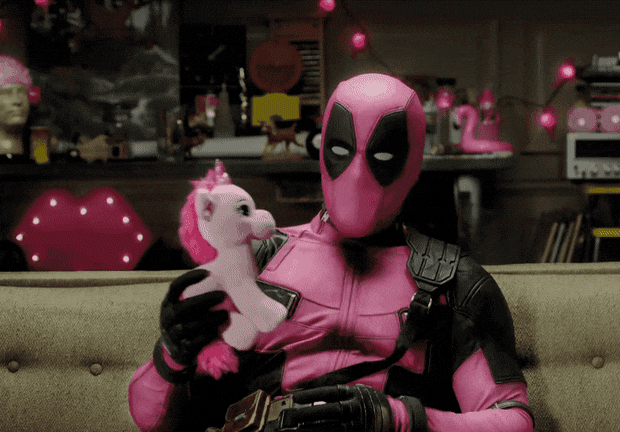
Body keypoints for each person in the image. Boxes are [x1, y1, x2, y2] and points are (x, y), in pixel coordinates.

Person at [128, 72, 533, 432]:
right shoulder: (256, 259)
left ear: (411, 164)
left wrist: (399, 418)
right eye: (342, 151)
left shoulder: (453, 282)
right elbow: (149, 417)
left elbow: (512, 421)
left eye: (382, 155)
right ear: (323, 151)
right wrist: (173, 355)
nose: (357, 175)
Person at [0, 55, 31, 162]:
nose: (17, 101)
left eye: (22, 92)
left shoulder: (39, 142)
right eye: (6, 93)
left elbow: (42, 163)